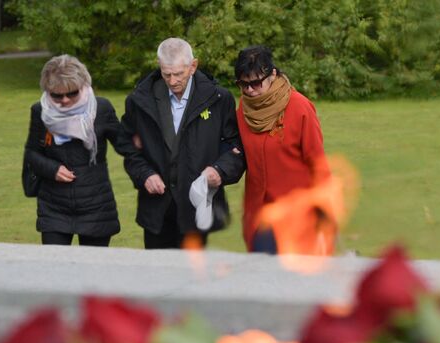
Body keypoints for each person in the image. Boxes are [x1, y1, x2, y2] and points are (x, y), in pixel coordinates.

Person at [119, 37, 245, 249]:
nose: (172, 80)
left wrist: (219, 170)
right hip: (157, 210)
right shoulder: (139, 100)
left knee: (193, 274)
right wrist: (145, 174)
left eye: (178, 74)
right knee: (157, 274)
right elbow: (128, 145)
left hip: (197, 207)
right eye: (166, 74)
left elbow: (235, 146)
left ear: (193, 66)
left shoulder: (219, 99)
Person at [234, 45, 330, 252]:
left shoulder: (300, 107)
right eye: (243, 84)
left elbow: (318, 163)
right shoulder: (244, 109)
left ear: (273, 74)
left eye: (256, 83)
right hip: (261, 217)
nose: (249, 90)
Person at [24, 54, 122, 246]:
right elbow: (31, 153)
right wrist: (52, 169)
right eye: (57, 95)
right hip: (54, 206)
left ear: (83, 86)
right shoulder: (39, 111)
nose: (65, 100)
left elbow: (125, 144)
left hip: (96, 205)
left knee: (93, 271)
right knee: (56, 270)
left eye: (72, 93)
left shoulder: (101, 109)